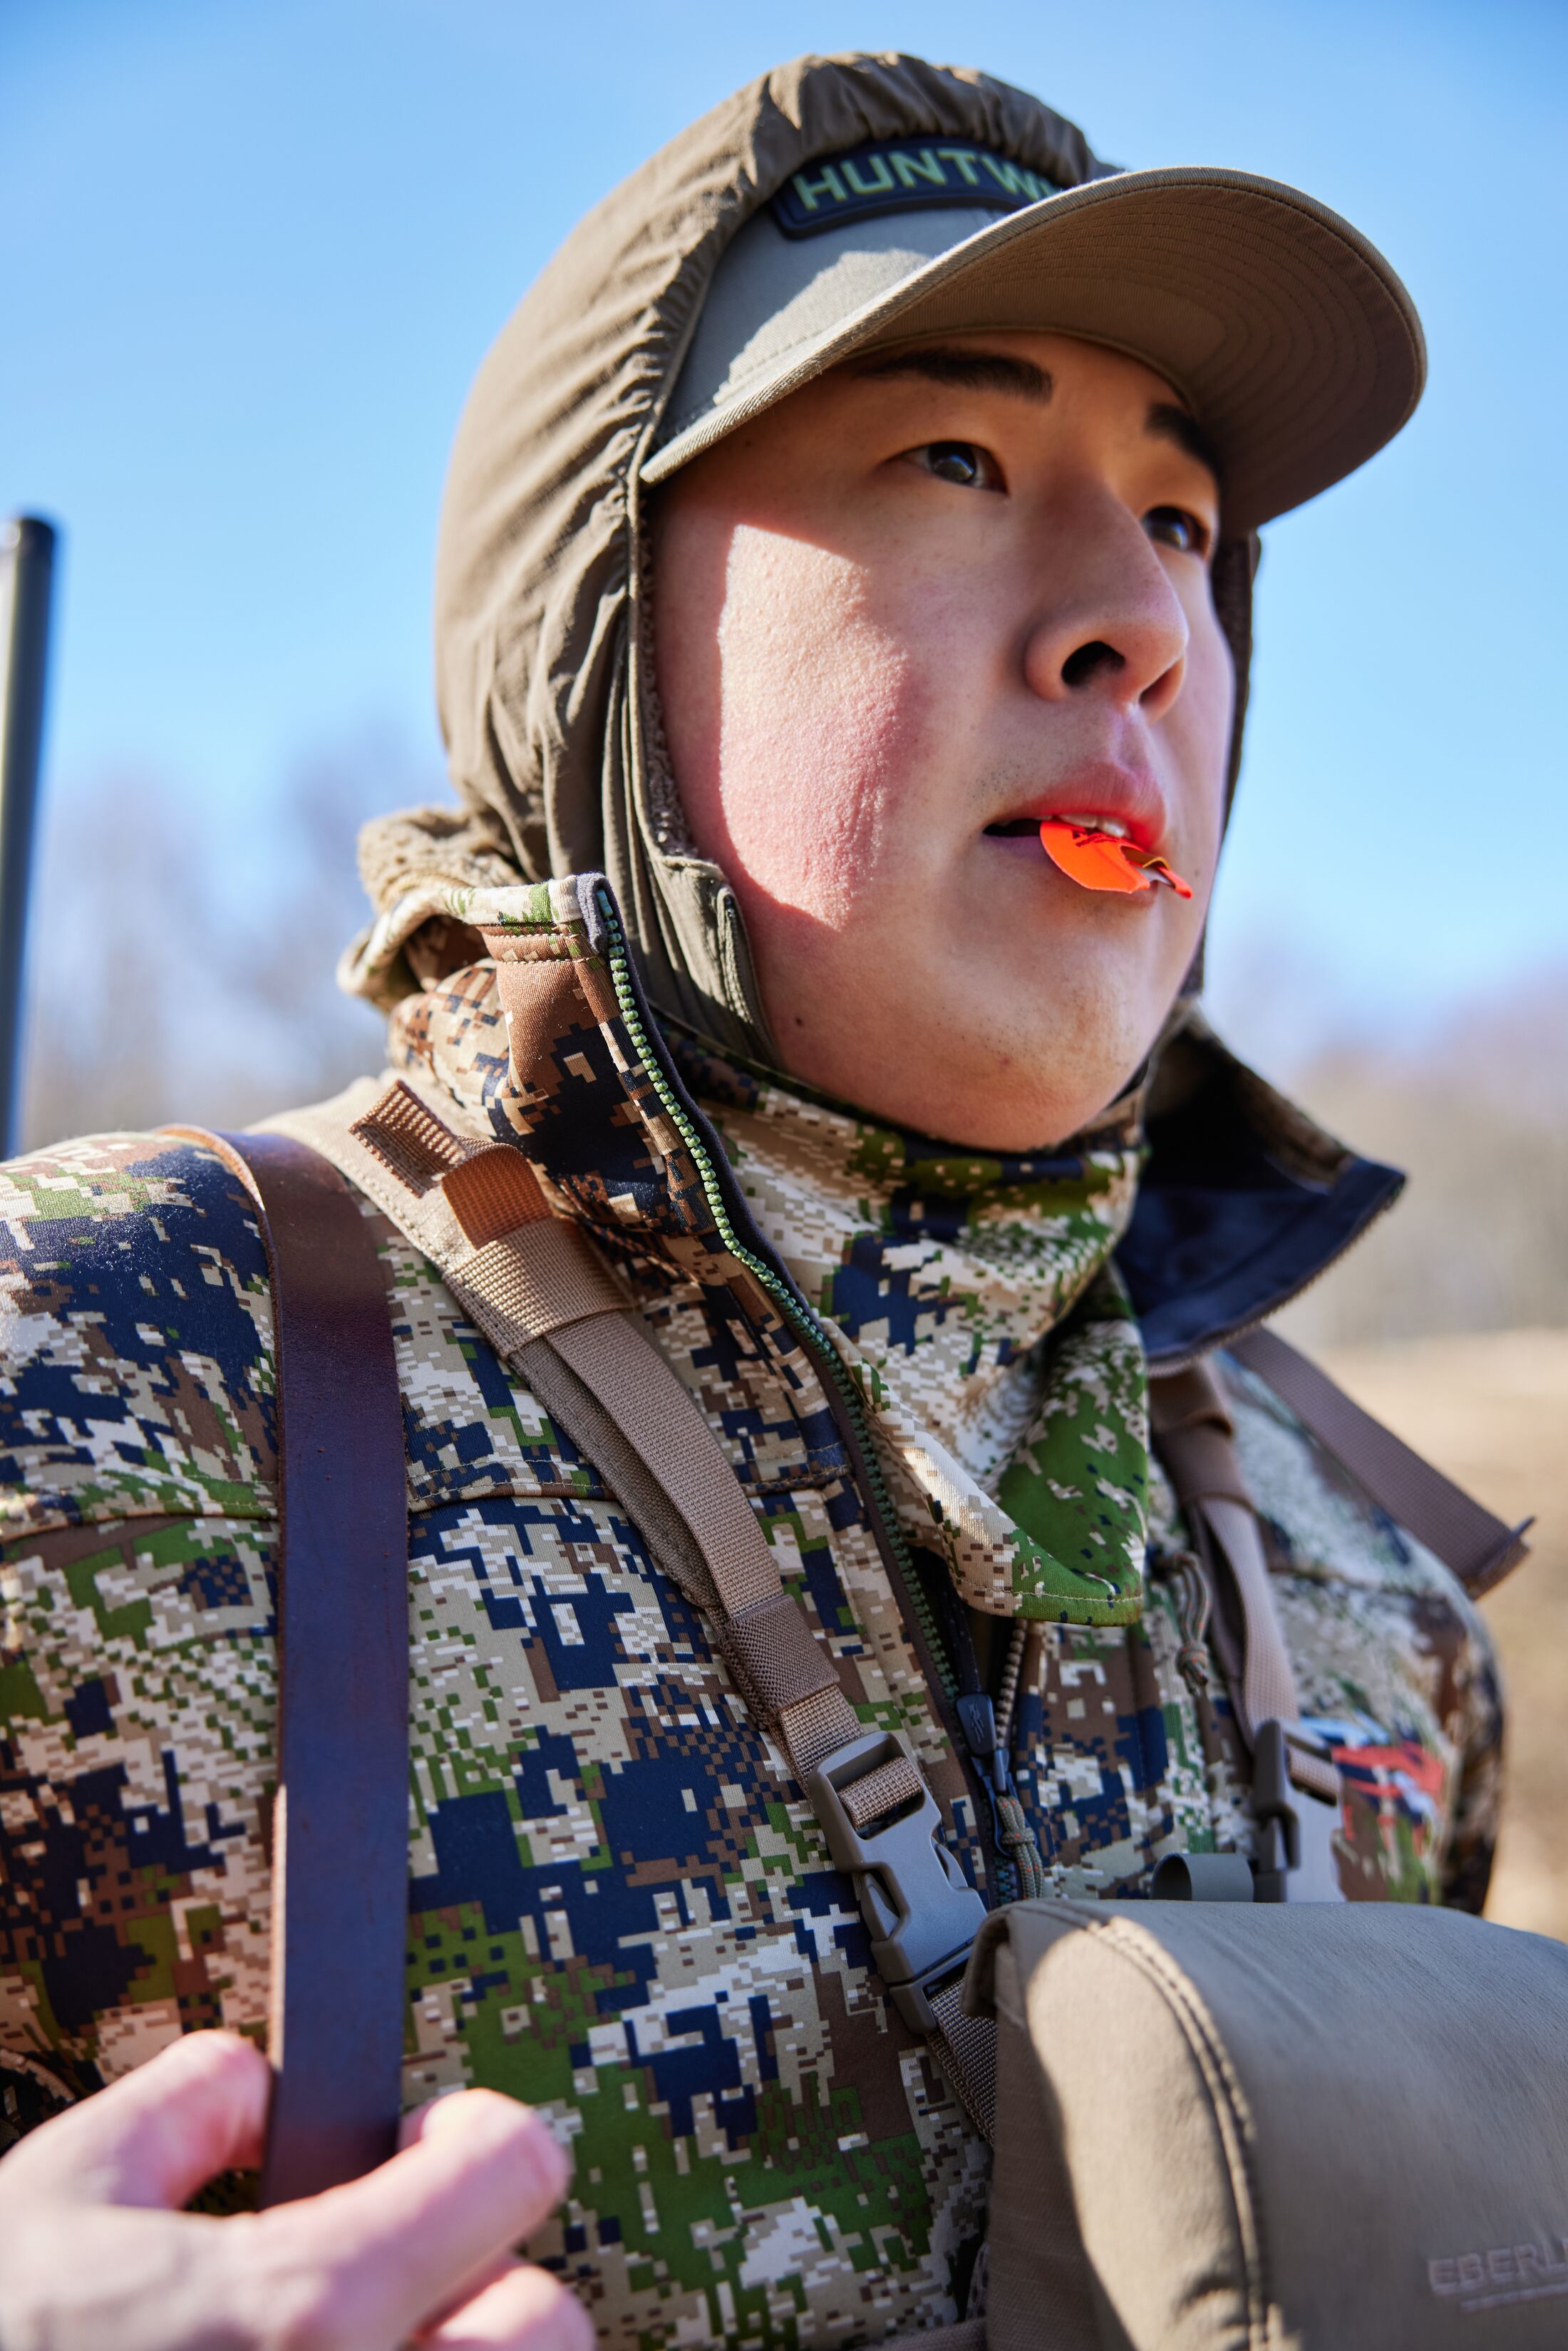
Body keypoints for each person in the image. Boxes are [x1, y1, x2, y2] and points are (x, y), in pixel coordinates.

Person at [0, 51, 1504, 2351]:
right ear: (600, 627)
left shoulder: (1368, 1584)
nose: (1139, 622)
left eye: (1189, 525)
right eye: (956, 459)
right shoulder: (98, 1377)